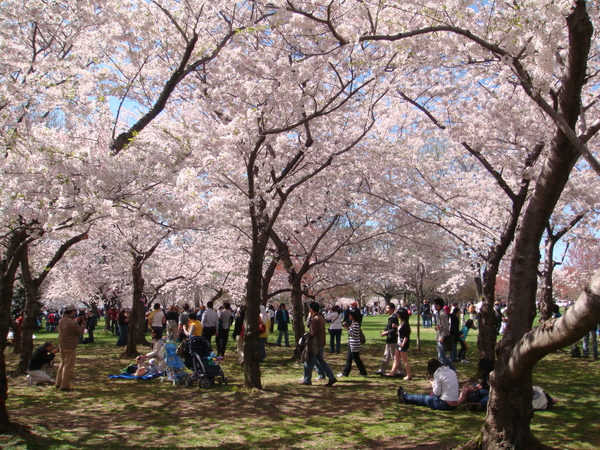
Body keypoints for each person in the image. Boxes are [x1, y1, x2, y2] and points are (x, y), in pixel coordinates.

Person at [299, 302, 337, 387]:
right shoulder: (320, 317)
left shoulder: (314, 319)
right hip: (321, 342)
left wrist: (306, 336)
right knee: (321, 361)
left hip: (314, 344)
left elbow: (313, 333)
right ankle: (331, 377)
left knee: (308, 362)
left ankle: (307, 379)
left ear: (311, 309)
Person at [55, 304, 85, 391]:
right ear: (72, 312)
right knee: (68, 366)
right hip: (70, 345)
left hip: (62, 345)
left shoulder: (62, 321)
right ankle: (65, 385)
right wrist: (82, 323)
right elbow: (80, 332)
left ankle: (58, 382)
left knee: (62, 364)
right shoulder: (72, 322)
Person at [338, 310, 367, 378]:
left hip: (354, 345)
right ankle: (345, 373)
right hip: (351, 344)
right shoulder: (353, 323)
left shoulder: (356, 324)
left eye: (350, 315)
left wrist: (346, 328)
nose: (349, 316)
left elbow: (353, 334)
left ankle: (363, 372)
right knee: (350, 359)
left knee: (356, 359)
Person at [386, 308, 412, 380]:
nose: (397, 315)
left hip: (402, 344)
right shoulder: (402, 322)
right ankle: (392, 372)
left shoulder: (406, 324)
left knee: (405, 360)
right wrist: (396, 327)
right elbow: (401, 331)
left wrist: (403, 344)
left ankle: (408, 375)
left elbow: (406, 335)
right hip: (399, 343)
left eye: (398, 314)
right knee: (396, 358)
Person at [375, 303, 398, 375]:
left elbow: (394, 330)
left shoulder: (394, 318)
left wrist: (386, 332)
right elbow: (389, 327)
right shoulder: (391, 317)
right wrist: (385, 330)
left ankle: (400, 371)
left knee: (394, 356)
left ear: (392, 309)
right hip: (389, 339)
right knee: (386, 355)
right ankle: (382, 370)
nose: (386, 310)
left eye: (388, 308)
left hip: (392, 339)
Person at [433, 298, 455, 371]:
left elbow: (446, 328)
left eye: (435, 304)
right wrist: (437, 327)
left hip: (442, 338)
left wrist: (442, 337)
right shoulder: (439, 313)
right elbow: (441, 326)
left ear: (438, 305)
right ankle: (453, 369)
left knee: (441, 357)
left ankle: (443, 372)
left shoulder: (442, 314)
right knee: (442, 356)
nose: (434, 306)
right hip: (440, 336)